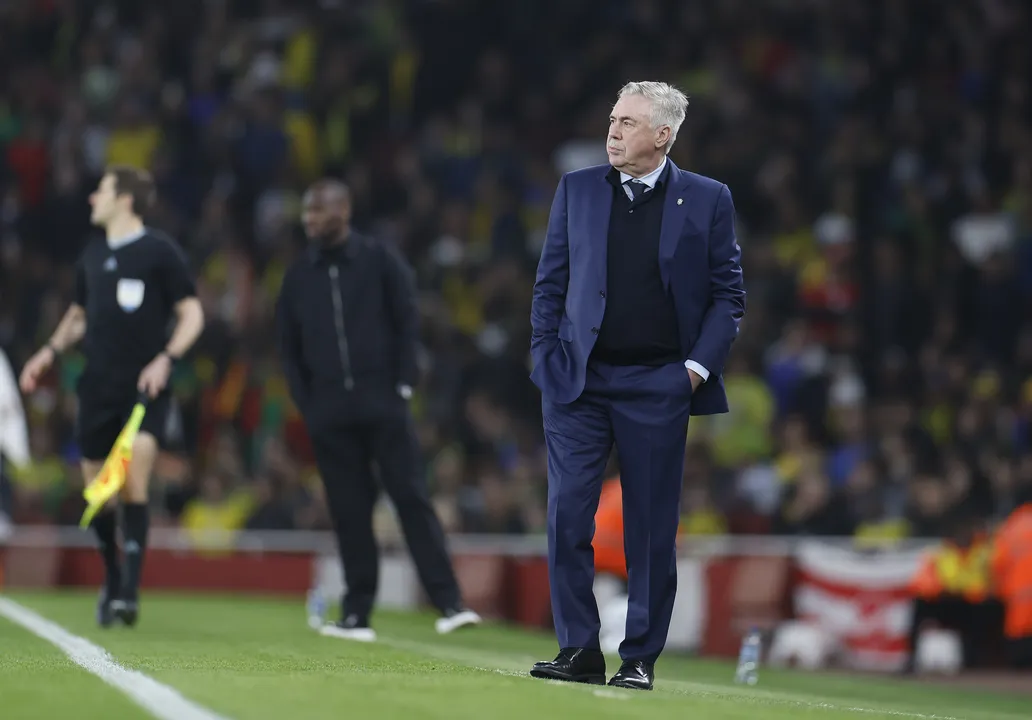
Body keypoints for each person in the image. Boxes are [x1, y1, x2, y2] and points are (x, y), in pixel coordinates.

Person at [529, 81, 746, 690]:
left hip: (659, 381)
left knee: (650, 526)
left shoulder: (708, 198)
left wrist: (694, 372)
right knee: (567, 515)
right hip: (579, 381)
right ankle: (578, 650)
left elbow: (729, 295)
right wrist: (546, 355)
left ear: (664, 135)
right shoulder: (576, 188)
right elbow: (550, 282)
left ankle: (640, 658)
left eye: (628, 123)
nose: (613, 131)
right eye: (612, 119)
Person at [276, 179, 480, 641]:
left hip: (383, 405)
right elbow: (288, 347)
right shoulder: (299, 275)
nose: (309, 220)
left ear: (343, 211)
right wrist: (308, 403)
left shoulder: (379, 260)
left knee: (411, 498)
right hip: (329, 413)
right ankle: (357, 614)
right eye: (306, 213)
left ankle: (449, 602)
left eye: (318, 211)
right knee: (349, 511)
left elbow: (409, 320)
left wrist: (404, 385)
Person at [19, 165, 204, 627]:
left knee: (135, 474)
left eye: (99, 190)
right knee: (99, 494)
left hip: (144, 387)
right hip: (97, 387)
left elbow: (193, 313)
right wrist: (49, 351)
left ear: (124, 199)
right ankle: (113, 574)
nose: (91, 198)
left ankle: (128, 593)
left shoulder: (160, 253)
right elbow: (79, 316)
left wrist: (166, 357)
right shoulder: (92, 255)